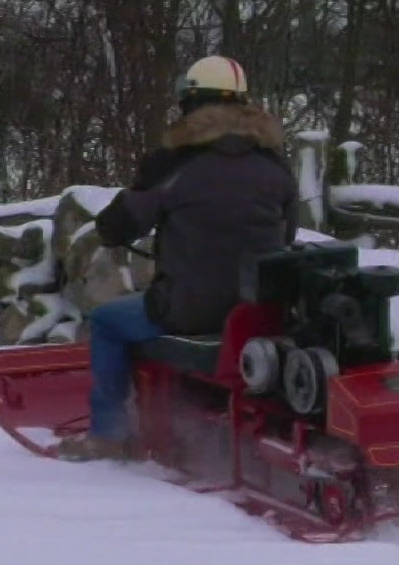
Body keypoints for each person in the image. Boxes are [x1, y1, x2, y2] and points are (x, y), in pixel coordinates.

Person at [57, 55, 300, 462]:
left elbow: (118, 226)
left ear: (189, 104)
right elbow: (288, 233)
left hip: (188, 312)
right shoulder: (275, 166)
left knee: (107, 321)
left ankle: (107, 432)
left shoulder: (175, 164)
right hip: (256, 314)